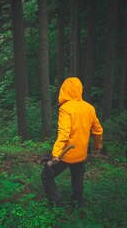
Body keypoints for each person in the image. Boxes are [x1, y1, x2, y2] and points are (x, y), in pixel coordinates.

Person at [42, 77, 103, 208]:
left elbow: (63, 134)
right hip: (81, 154)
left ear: (64, 90)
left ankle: (57, 203)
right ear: (79, 90)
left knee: (46, 174)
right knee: (77, 178)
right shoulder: (89, 108)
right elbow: (98, 131)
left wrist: (56, 155)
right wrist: (97, 146)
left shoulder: (66, 108)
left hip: (66, 154)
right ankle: (77, 203)